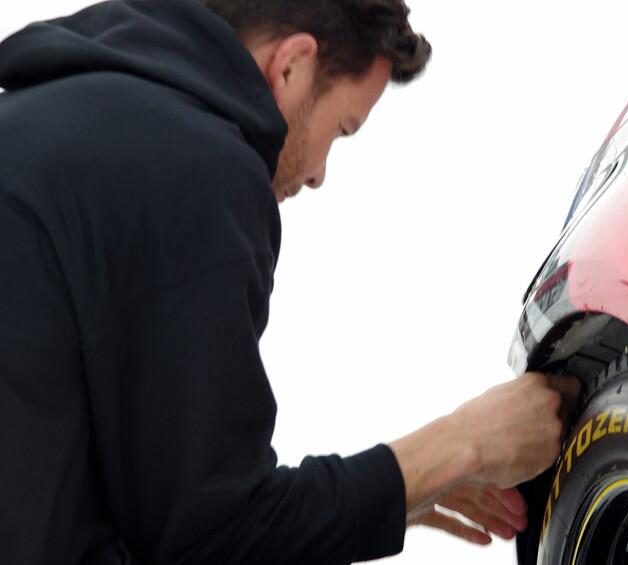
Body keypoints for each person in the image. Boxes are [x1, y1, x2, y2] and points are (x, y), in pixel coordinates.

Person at [0, 0, 571, 563]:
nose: (320, 173)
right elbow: (217, 536)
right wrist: (458, 445)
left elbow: (163, 505)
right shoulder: (197, 167)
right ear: (292, 65)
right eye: (343, 129)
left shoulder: (49, 123)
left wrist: (393, 496)